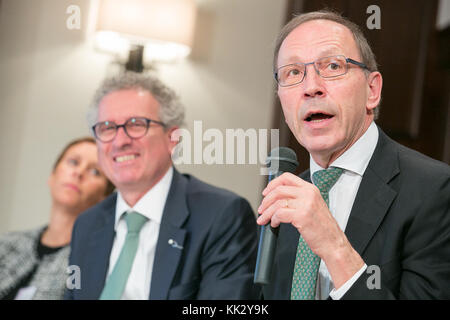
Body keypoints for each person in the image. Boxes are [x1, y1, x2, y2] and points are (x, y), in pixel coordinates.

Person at [257, 10, 450, 300]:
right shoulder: (282, 201)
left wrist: (335, 248)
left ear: (372, 90)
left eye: (333, 66)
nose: (311, 88)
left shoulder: (435, 189)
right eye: (294, 73)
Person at [64, 72, 259, 300]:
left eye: (136, 124)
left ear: (172, 138)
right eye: (107, 128)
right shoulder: (87, 225)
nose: (120, 141)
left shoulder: (222, 216)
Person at [0, 137, 114, 300]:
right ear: (52, 175)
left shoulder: (87, 262)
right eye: (73, 162)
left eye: (95, 171)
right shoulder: (7, 244)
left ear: (104, 197)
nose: (79, 172)